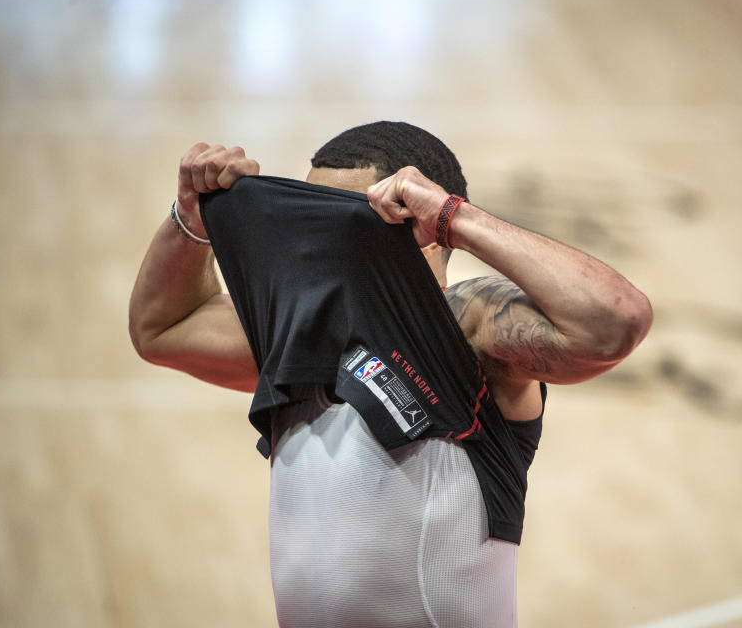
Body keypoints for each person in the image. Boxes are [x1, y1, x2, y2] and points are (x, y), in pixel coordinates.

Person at [129, 121, 652, 627]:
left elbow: (615, 321)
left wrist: (454, 217)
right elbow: (161, 328)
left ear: (417, 226)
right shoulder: (297, 330)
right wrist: (191, 220)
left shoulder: (462, 324)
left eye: (347, 222)